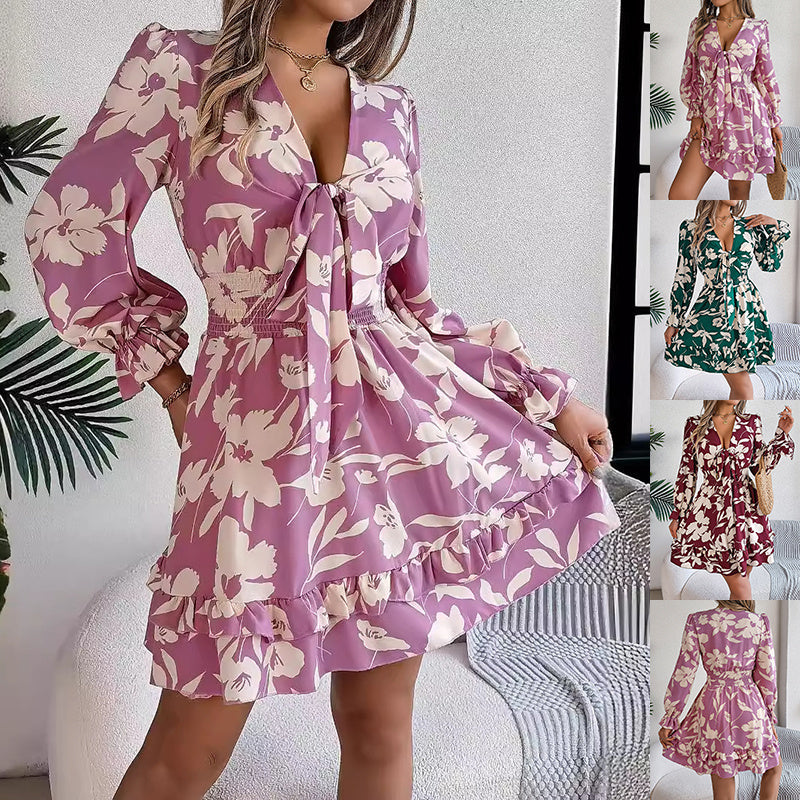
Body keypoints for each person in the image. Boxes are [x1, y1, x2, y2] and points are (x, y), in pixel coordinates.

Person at [22, 3, 621, 798]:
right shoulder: (178, 69)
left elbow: (412, 308)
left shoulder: (391, 112)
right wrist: (169, 381)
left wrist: (542, 397)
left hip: (390, 447)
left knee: (379, 724)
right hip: (250, 444)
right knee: (186, 750)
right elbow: (68, 226)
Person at [663, 200, 791, 400]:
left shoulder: (749, 226)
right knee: (743, 386)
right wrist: (675, 320)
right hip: (712, 310)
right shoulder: (691, 228)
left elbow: (770, 264)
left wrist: (776, 225)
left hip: (746, 310)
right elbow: (684, 276)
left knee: (741, 386)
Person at [669, 401, 793, 599]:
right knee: (740, 585)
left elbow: (760, 466)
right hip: (711, 511)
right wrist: (678, 513)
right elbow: (687, 471)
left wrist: (782, 433)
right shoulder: (694, 424)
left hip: (747, 510)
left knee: (740, 585)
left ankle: (737, 616)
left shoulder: (752, 422)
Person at [658, 601, 783, 800]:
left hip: (713, 707)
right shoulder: (757, 622)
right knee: (774, 767)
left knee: (723, 771)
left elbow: (685, 671)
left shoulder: (698, 620)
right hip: (750, 704)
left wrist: (670, 718)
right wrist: (768, 714)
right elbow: (766, 674)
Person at [667, 0, 782, 201]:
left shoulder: (758, 27)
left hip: (747, 118)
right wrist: (696, 114)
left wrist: (774, 121)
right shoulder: (699, 26)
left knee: (738, 194)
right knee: (679, 194)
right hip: (710, 118)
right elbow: (690, 72)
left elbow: (765, 77)